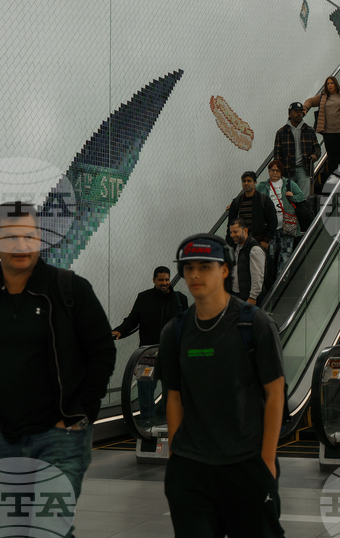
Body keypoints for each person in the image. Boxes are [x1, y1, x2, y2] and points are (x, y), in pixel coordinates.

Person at [0, 201, 116, 536]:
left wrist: (80, 412)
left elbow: (102, 351)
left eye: (29, 236)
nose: (21, 245)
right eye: (11, 237)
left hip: (61, 438)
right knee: (15, 532)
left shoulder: (70, 289)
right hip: (7, 440)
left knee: (47, 529)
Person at [158, 234, 285, 537]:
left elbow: (275, 393)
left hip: (247, 463)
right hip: (192, 468)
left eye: (205, 267)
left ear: (225, 270)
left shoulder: (254, 325)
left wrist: (267, 461)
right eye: (189, 268)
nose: (195, 275)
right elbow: (173, 398)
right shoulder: (175, 332)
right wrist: (176, 459)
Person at [112, 267, 189, 428]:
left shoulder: (180, 299)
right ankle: (147, 418)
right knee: (145, 386)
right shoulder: (144, 298)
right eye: (160, 280)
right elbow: (132, 320)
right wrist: (119, 330)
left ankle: (166, 416)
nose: (164, 283)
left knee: (171, 387)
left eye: (167, 279)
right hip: (147, 352)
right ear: (154, 280)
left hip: (171, 352)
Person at [303, 76, 340, 176]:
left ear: (336, 84)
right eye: (328, 84)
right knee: (332, 156)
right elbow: (310, 101)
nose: (330, 85)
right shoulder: (323, 96)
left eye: (332, 83)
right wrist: (305, 108)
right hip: (329, 132)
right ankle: (333, 176)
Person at [257, 160, 306, 270]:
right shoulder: (262, 186)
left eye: (277, 171)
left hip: (287, 225)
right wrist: (234, 203)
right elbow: (250, 195)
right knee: (268, 255)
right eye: (272, 170)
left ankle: (282, 280)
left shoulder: (288, 184)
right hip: (269, 227)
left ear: (281, 172)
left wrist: (292, 196)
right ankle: (269, 281)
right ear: (269, 171)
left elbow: (301, 196)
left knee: (285, 255)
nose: (274, 173)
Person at [273, 102, 320, 198]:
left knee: (304, 197)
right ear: (290, 114)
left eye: (301, 111)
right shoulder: (281, 133)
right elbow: (277, 155)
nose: (299, 114)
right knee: (288, 197)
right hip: (288, 170)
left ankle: (303, 213)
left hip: (304, 168)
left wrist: (315, 155)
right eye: (296, 112)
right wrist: (278, 172)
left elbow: (317, 149)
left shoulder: (309, 130)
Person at [228, 171, 277, 249]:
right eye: (244, 181)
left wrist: (266, 240)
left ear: (255, 182)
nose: (246, 183)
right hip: (241, 242)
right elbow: (230, 223)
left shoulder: (263, 199)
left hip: (259, 241)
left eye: (249, 181)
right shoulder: (236, 201)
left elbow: (273, 221)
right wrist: (230, 242)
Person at [228, 218, 268, 306]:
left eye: (235, 232)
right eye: (231, 232)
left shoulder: (254, 249)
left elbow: (257, 276)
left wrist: (252, 297)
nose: (232, 235)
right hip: (236, 294)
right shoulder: (236, 247)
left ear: (245, 230)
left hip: (248, 297)